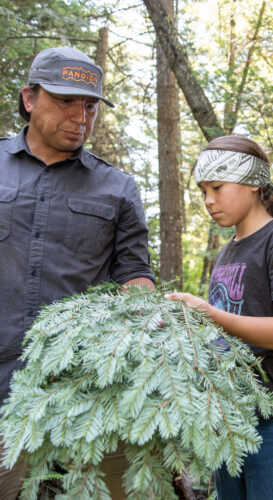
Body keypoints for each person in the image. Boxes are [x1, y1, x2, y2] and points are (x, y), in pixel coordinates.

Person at [0, 46, 155, 499]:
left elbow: (134, 270)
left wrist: (144, 309)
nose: (80, 116)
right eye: (65, 100)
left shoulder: (119, 188)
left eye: (89, 106)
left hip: (87, 392)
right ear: (30, 99)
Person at [167, 135, 273, 500]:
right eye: (203, 190)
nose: (208, 200)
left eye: (217, 187)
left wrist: (208, 313)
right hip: (230, 414)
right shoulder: (226, 252)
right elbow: (225, 328)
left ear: (253, 184)